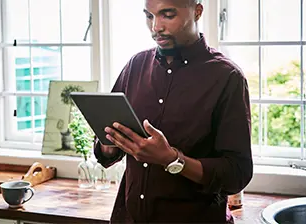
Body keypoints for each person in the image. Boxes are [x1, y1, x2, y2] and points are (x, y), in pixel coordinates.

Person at [93, 0, 253, 223]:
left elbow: (237, 173)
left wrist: (171, 159)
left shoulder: (227, 77)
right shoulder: (135, 66)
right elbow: (106, 154)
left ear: (197, 12)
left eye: (167, 15)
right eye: (149, 16)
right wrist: (110, 143)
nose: (156, 27)